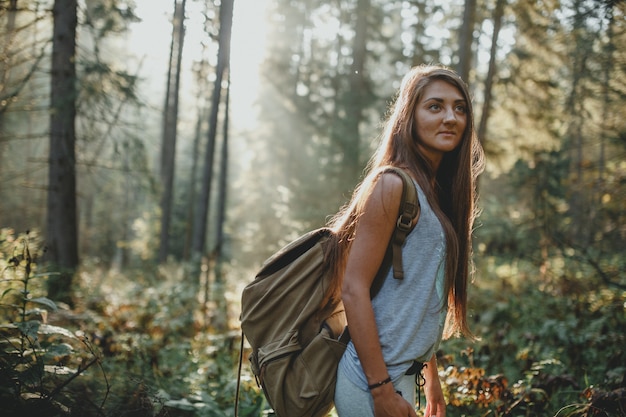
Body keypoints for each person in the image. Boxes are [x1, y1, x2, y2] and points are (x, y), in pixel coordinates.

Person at [325, 64, 485, 417]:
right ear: (408, 116)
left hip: (401, 377)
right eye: (435, 106)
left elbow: (415, 301)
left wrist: (431, 381)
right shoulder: (392, 185)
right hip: (371, 384)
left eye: (460, 108)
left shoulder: (435, 195)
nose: (451, 117)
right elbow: (354, 288)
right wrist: (381, 391)